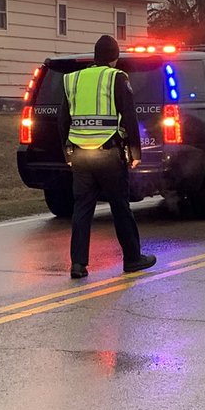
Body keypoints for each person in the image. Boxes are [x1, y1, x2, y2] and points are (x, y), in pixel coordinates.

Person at [60, 34, 157, 280]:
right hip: (108, 154)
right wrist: (135, 151)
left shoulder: (74, 79)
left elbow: (62, 120)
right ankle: (133, 258)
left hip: (81, 155)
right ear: (115, 57)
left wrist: (67, 150)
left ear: (95, 56)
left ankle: (78, 265)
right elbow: (130, 116)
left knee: (82, 209)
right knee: (120, 206)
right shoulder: (116, 78)